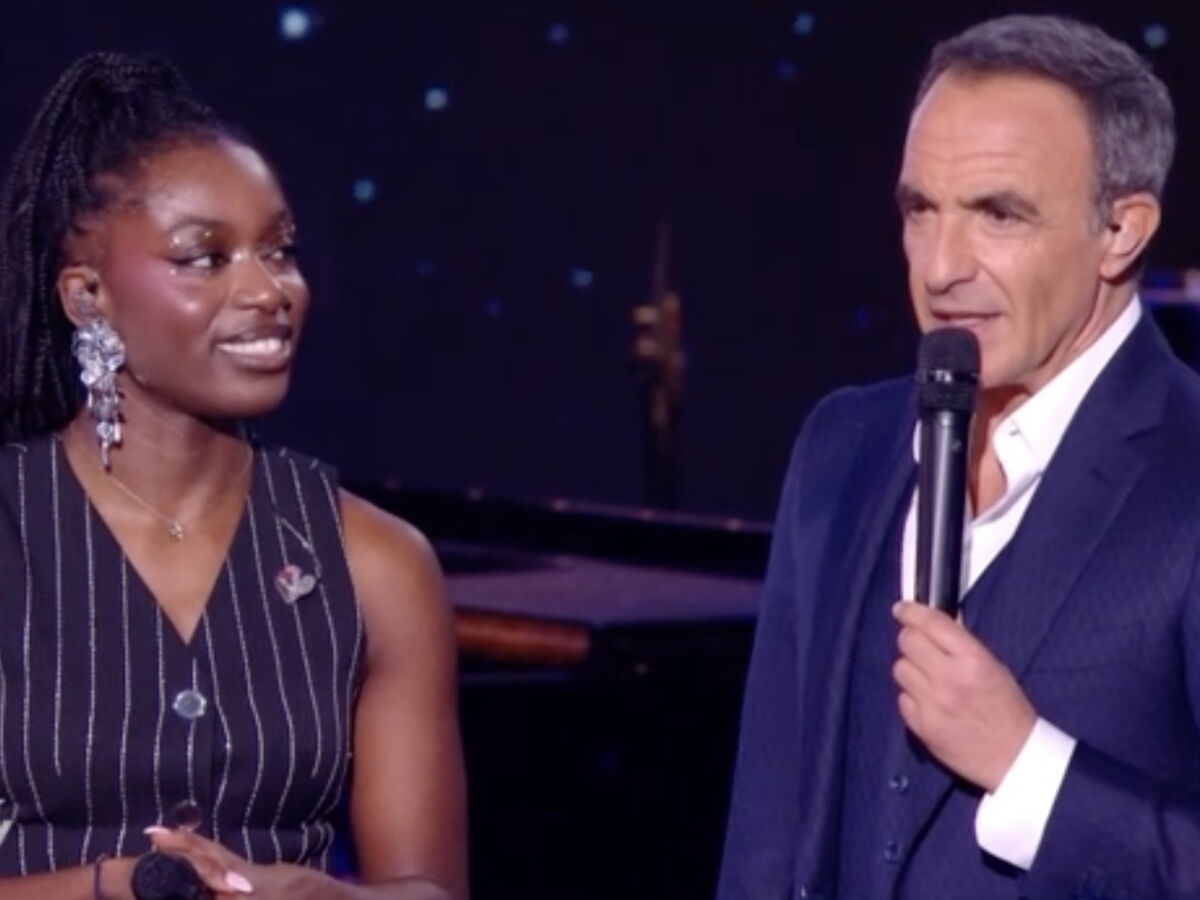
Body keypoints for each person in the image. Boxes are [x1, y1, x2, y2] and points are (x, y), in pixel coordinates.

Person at [718, 14, 1200, 899]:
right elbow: (767, 839)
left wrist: (1028, 769)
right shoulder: (843, 447)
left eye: (997, 214)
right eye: (921, 210)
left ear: (1121, 230)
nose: (941, 267)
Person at [0, 53, 466, 899]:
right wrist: (123, 886)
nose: (268, 290)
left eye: (280, 251)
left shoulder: (375, 563)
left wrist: (319, 897)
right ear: (88, 296)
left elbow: (429, 891)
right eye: (205, 258)